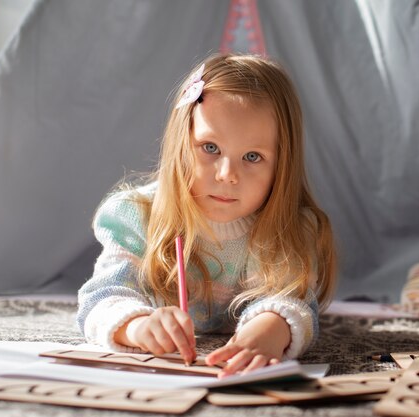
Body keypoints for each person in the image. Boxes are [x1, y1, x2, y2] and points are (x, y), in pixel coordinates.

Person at [77, 53, 336, 377]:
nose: (227, 174)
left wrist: (272, 327)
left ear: (282, 165)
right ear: (180, 143)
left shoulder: (288, 228)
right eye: (210, 148)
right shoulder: (137, 216)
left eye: (252, 156)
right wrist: (137, 326)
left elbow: (293, 301)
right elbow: (101, 296)